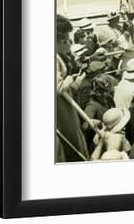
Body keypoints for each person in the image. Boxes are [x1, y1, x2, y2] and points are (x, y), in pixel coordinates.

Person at [56, 14, 89, 163]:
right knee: (71, 136)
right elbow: (58, 87)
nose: (68, 42)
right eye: (64, 40)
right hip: (61, 107)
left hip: (63, 104)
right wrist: (72, 78)